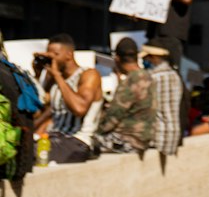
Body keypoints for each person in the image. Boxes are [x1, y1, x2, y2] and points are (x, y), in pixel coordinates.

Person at [33, 35, 103, 163]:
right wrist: (38, 75)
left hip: (79, 142)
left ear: (69, 55)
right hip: (54, 138)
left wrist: (57, 75)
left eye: (55, 54)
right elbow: (37, 109)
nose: (51, 59)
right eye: (48, 55)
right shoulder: (53, 79)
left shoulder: (89, 75)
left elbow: (80, 108)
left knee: (31, 155)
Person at [93, 38, 155, 154]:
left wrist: (98, 131)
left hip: (128, 141)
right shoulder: (149, 77)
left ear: (117, 59)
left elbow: (114, 116)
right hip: (145, 139)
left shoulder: (131, 81)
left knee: (87, 142)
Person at [143, 42, 185, 156]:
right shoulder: (175, 76)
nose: (146, 60)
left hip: (158, 136)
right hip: (173, 135)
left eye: (148, 57)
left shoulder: (153, 77)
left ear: (155, 57)